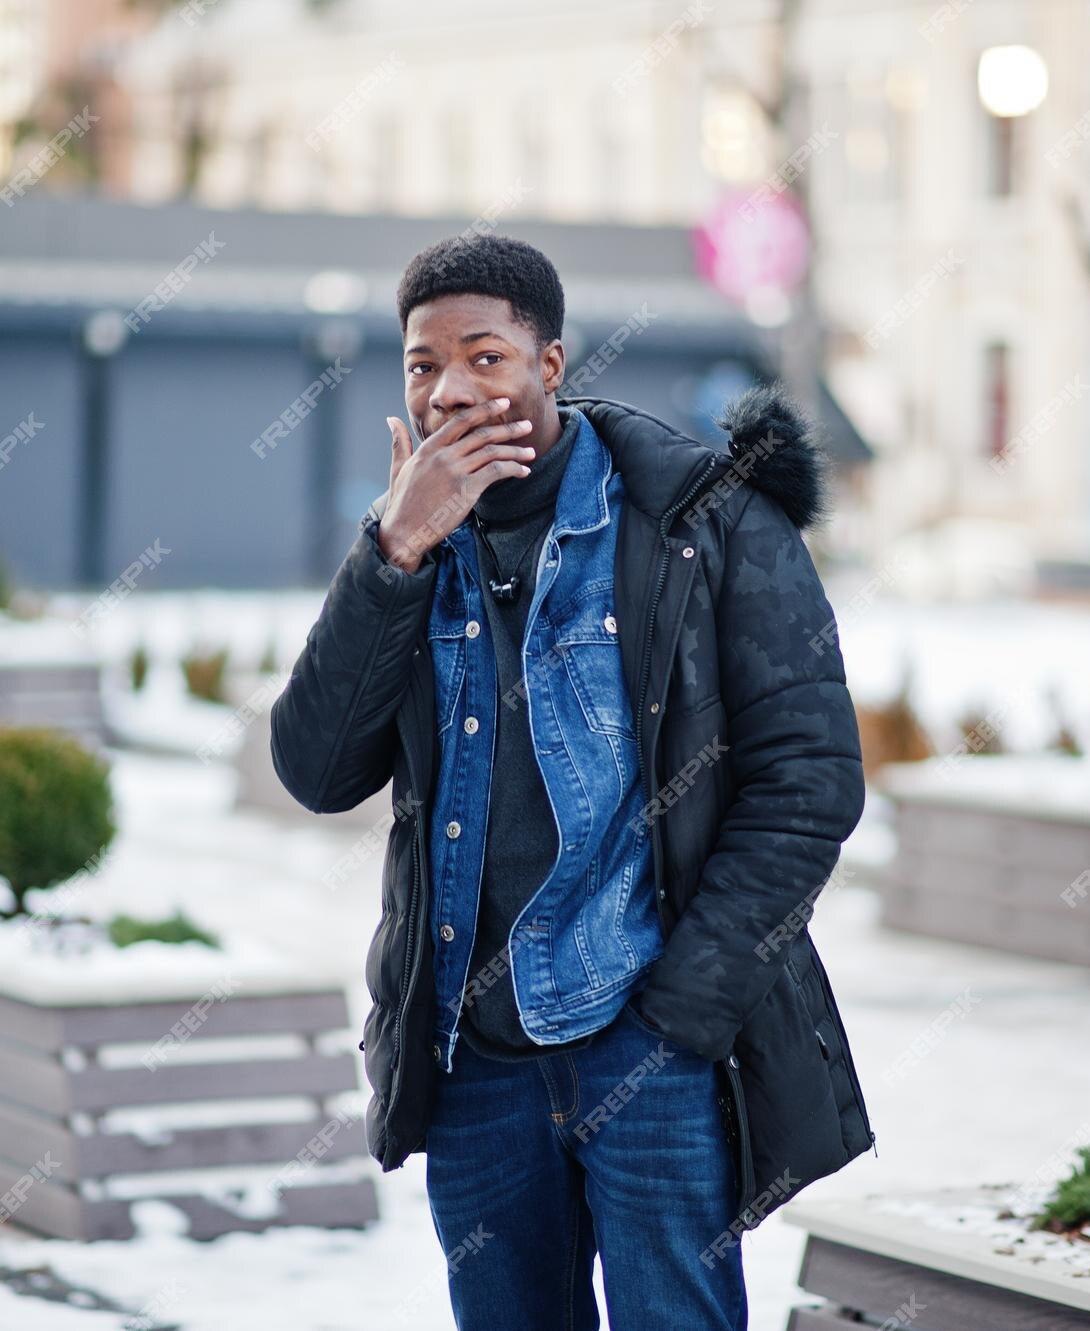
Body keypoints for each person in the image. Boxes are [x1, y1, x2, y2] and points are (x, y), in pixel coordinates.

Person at [270, 233, 871, 1330]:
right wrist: (390, 554)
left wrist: (681, 1011)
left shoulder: (702, 520)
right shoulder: (412, 546)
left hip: (648, 1051)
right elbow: (314, 769)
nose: (451, 388)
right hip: (472, 1064)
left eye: (485, 357)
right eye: (422, 363)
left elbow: (809, 781)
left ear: (550, 367)